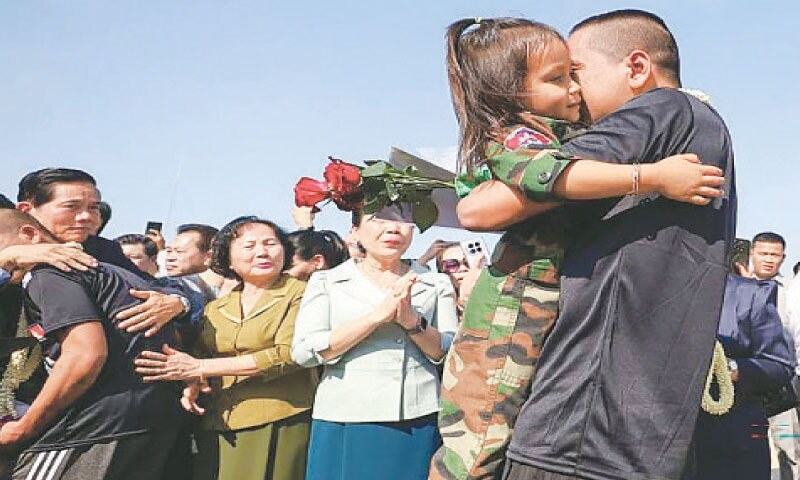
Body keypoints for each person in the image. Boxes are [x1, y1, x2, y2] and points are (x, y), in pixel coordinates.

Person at [430, 16, 726, 480]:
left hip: (582, 434)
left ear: (636, 68)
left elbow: (484, 209)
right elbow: (480, 208)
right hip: (524, 324)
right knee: (476, 440)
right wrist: (649, 176)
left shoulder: (659, 111)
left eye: (577, 72)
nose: (574, 91)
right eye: (558, 78)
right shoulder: (524, 139)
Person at [0, 209, 184, 480]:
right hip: (147, 423)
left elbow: (84, 355)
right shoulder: (111, 272)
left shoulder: (50, 272)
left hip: (91, 428)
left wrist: (24, 428)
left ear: (28, 234)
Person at [135, 216, 316, 480]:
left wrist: (202, 367)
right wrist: (194, 380)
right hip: (218, 421)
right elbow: (201, 352)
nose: (262, 252)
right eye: (249, 245)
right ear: (227, 258)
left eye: (270, 243)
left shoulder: (301, 293)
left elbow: (288, 354)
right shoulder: (217, 307)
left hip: (280, 417)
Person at [291, 213, 459, 480]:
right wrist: (374, 318)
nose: (393, 229)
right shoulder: (327, 281)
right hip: (346, 414)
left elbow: (449, 351)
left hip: (417, 416)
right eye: (379, 220)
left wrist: (412, 321)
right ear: (355, 230)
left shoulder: (435, 282)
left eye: (403, 221)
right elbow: (304, 351)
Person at [16, 168, 194, 337]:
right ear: (26, 210)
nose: (86, 217)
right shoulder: (8, 250)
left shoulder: (102, 251)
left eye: (93, 208)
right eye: (72, 206)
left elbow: (154, 286)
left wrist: (176, 302)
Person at [687, 274, 794, 480]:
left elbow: (779, 366)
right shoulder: (644, 289)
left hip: (728, 445)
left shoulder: (748, 295)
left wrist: (731, 369)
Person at [738, 232, 800, 479]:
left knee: (789, 446)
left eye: (774, 255)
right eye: (763, 253)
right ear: (752, 254)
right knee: (748, 444)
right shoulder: (734, 288)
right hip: (745, 384)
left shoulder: (792, 293)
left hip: (780, 387)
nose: (768, 260)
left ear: (783, 259)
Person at [165, 224, 230, 303]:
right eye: (169, 251)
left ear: (208, 256)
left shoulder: (233, 291)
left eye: (179, 251)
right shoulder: (161, 288)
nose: (170, 258)